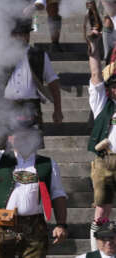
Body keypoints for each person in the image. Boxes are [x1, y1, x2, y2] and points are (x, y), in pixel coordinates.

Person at [0, 122, 68, 257]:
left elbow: (58, 194)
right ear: (10, 139)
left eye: (25, 135)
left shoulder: (48, 163)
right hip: (2, 223)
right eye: (15, 135)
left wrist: (61, 224)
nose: (20, 138)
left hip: (34, 225)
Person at [86, 28, 116, 251]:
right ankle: (97, 252)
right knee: (101, 211)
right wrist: (94, 49)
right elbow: (96, 76)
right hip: (105, 161)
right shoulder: (102, 104)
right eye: (114, 85)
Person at [4, 18, 63, 132]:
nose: (23, 37)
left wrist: (58, 109)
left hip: (31, 107)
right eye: (19, 34)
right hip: (6, 107)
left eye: (26, 33)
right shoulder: (1, 56)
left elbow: (53, 82)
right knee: (7, 147)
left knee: (31, 146)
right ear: (11, 35)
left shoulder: (39, 55)